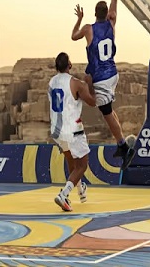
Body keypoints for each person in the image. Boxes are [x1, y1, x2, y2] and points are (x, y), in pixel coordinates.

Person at [71, 0, 133, 167]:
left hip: (102, 77)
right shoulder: (112, 23)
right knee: (109, 109)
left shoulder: (88, 29)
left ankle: (123, 146)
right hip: (113, 73)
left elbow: (73, 36)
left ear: (94, 13)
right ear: (107, 14)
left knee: (106, 113)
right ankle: (121, 143)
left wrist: (79, 19)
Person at [49, 52, 97, 211]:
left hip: (57, 130)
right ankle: (64, 194)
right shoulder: (76, 83)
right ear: (69, 65)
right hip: (73, 130)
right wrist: (90, 84)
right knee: (82, 165)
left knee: (72, 162)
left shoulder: (51, 82)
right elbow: (92, 102)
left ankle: (80, 189)